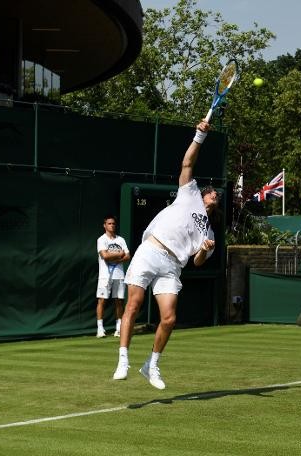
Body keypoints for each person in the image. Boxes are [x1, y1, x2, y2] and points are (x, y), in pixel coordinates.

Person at [112, 120, 217, 390]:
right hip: (151, 250)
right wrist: (199, 136)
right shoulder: (189, 192)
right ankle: (123, 359)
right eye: (212, 192)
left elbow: (197, 261)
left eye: (216, 194)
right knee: (133, 304)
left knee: (169, 319)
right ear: (202, 195)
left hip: (173, 266)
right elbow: (187, 164)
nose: (215, 194)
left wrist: (204, 251)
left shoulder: (209, 233)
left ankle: (151, 365)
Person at [96, 216, 131, 338]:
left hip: (119, 275)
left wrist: (116, 257)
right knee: (102, 300)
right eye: (109, 223)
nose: (112, 225)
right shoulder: (101, 240)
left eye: (113, 224)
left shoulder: (121, 240)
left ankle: (119, 328)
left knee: (119, 301)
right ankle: (100, 329)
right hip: (105, 276)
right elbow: (105, 256)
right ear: (104, 225)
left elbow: (128, 256)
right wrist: (119, 254)